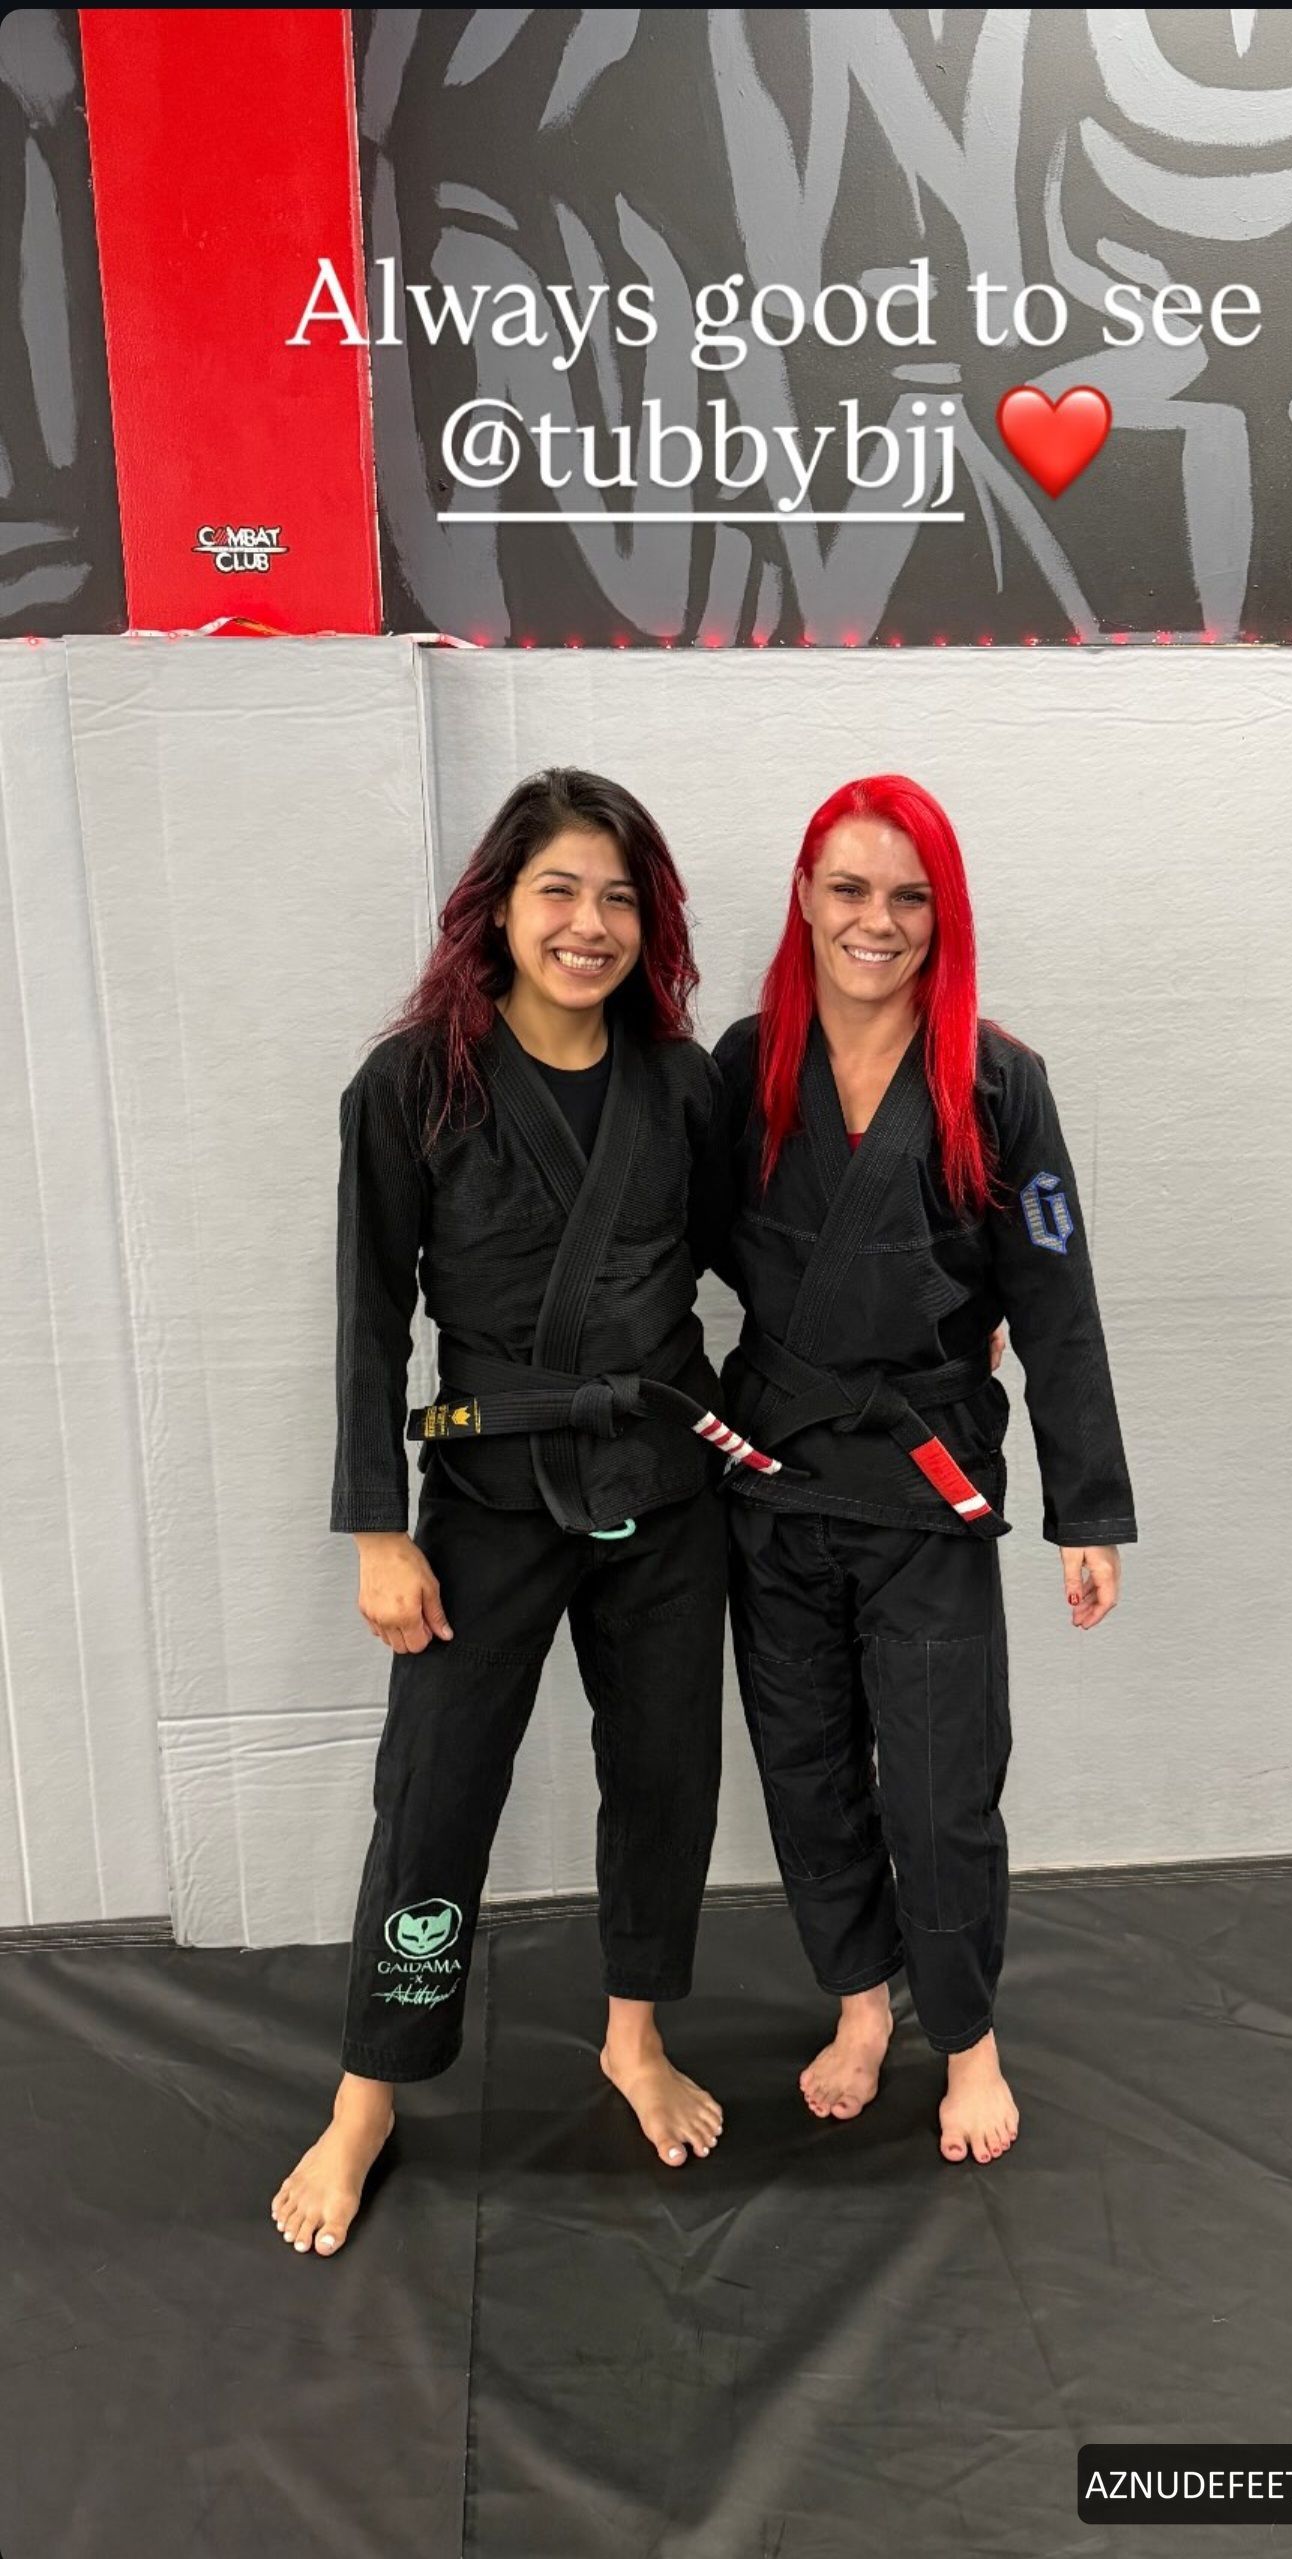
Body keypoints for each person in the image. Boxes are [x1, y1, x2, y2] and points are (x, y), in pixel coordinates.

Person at [272, 768, 773, 2255]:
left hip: (664, 1485)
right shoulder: (413, 1085)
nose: (589, 924)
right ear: (498, 906)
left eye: (620, 898)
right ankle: (368, 2093)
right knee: (434, 1793)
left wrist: (931, 1324)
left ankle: (634, 2036)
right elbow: (369, 1318)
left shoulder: (680, 1083)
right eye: (560, 889)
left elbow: (757, 1252)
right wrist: (379, 1531)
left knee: (666, 1773)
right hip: (489, 1493)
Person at [712, 774, 1137, 2165]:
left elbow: (1055, 1294)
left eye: (910, 895)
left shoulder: (999, 1083)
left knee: (944, 1783)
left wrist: (1086, 1509)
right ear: (804, 897)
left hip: (926, 1482)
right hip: (775, 1473)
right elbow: (679, 1240)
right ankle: (858, 2004)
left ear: (942, 914)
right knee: (806, 1766)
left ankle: (966, 2038)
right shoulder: (745, 1066)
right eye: (850, 888)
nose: (877, 921)